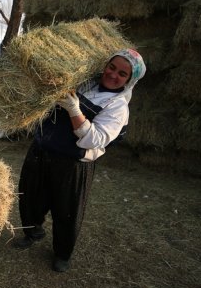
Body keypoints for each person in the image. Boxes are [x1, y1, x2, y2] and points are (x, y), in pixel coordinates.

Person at [13, 48, 146, 273]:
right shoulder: (84, 82)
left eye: (122, 74)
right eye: (112, 67)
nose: (113, 75)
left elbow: (95, 139)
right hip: (42, 149)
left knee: (66, 210)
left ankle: (62, 253)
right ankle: (32, 232)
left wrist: (75, 109)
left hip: (71, 163)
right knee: (30, 196)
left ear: (129, 80)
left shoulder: (117, 106)